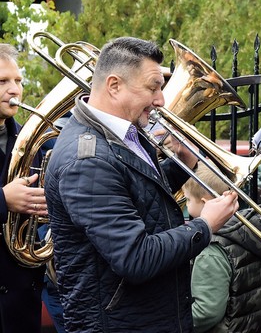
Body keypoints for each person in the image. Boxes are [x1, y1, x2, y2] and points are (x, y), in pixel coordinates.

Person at [44, 37, 240, 332]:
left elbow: (138, 195)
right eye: (153, 88)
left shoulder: (124, 133)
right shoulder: (87, 160)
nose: (161, 100)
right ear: (114, 86)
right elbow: (135, 258)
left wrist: (181, 165)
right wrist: (205, 226)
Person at [183, 162, 261, 333]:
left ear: (205, 203)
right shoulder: (251, 228)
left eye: (188, 200)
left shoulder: (210, 250)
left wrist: (175, 322)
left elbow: (206, 313)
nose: (186, 204)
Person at [0, 43, 48, 333]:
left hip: (21, 299)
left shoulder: (29, 140)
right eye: (2, 81)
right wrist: (4, 199)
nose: (14, 89)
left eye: (17, 81)